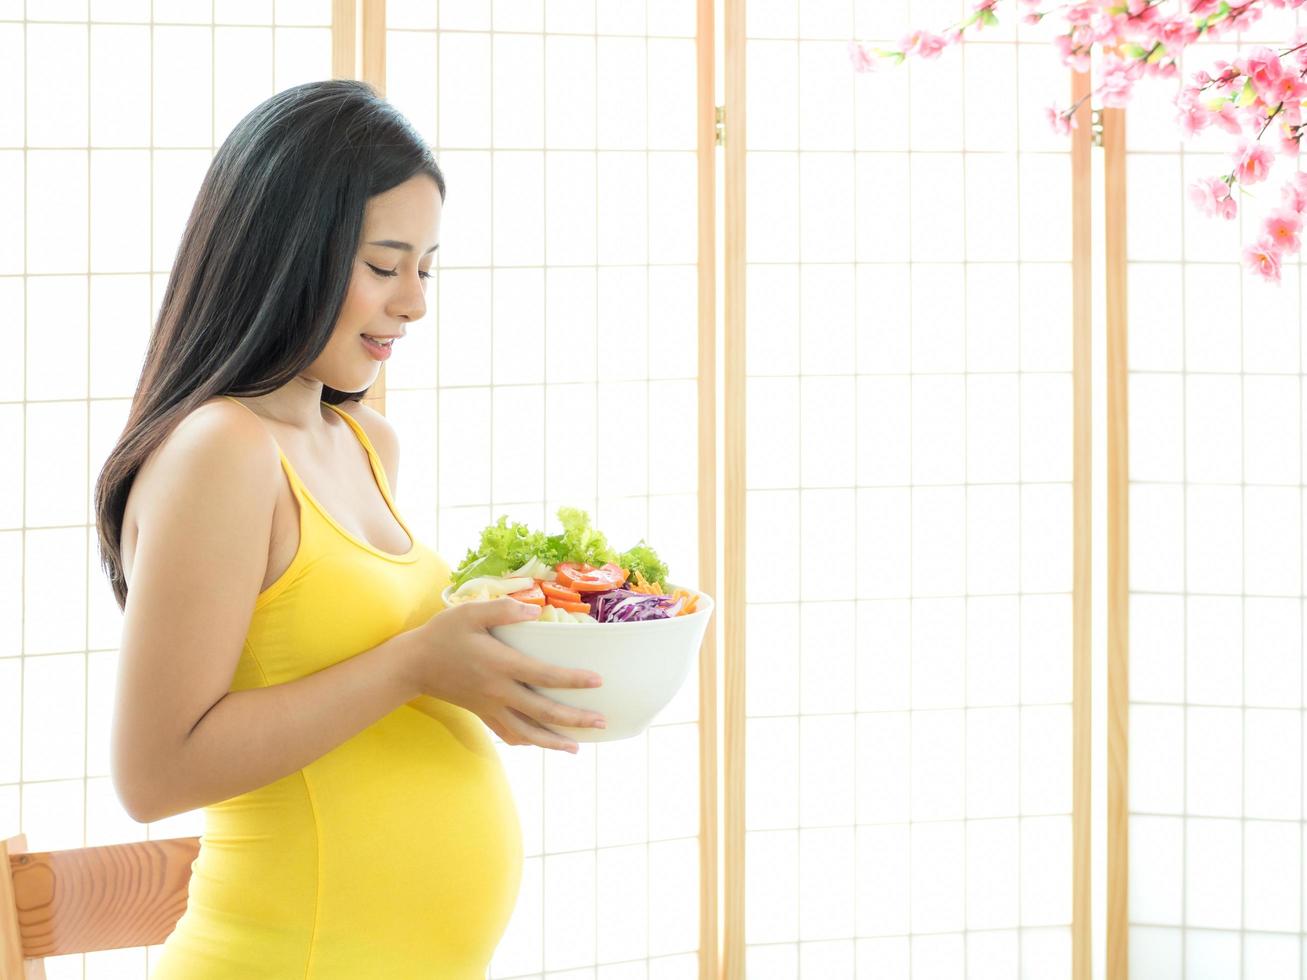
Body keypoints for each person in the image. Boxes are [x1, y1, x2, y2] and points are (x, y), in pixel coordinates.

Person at [92, 78, 607, 978]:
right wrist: (417, 662)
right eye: (383, 265)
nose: (413, 303)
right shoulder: (224, 448)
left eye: (427, 267)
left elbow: (344, 685)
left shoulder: (365, 441)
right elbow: (153, 773)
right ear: (285, 251)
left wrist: (483, 676)